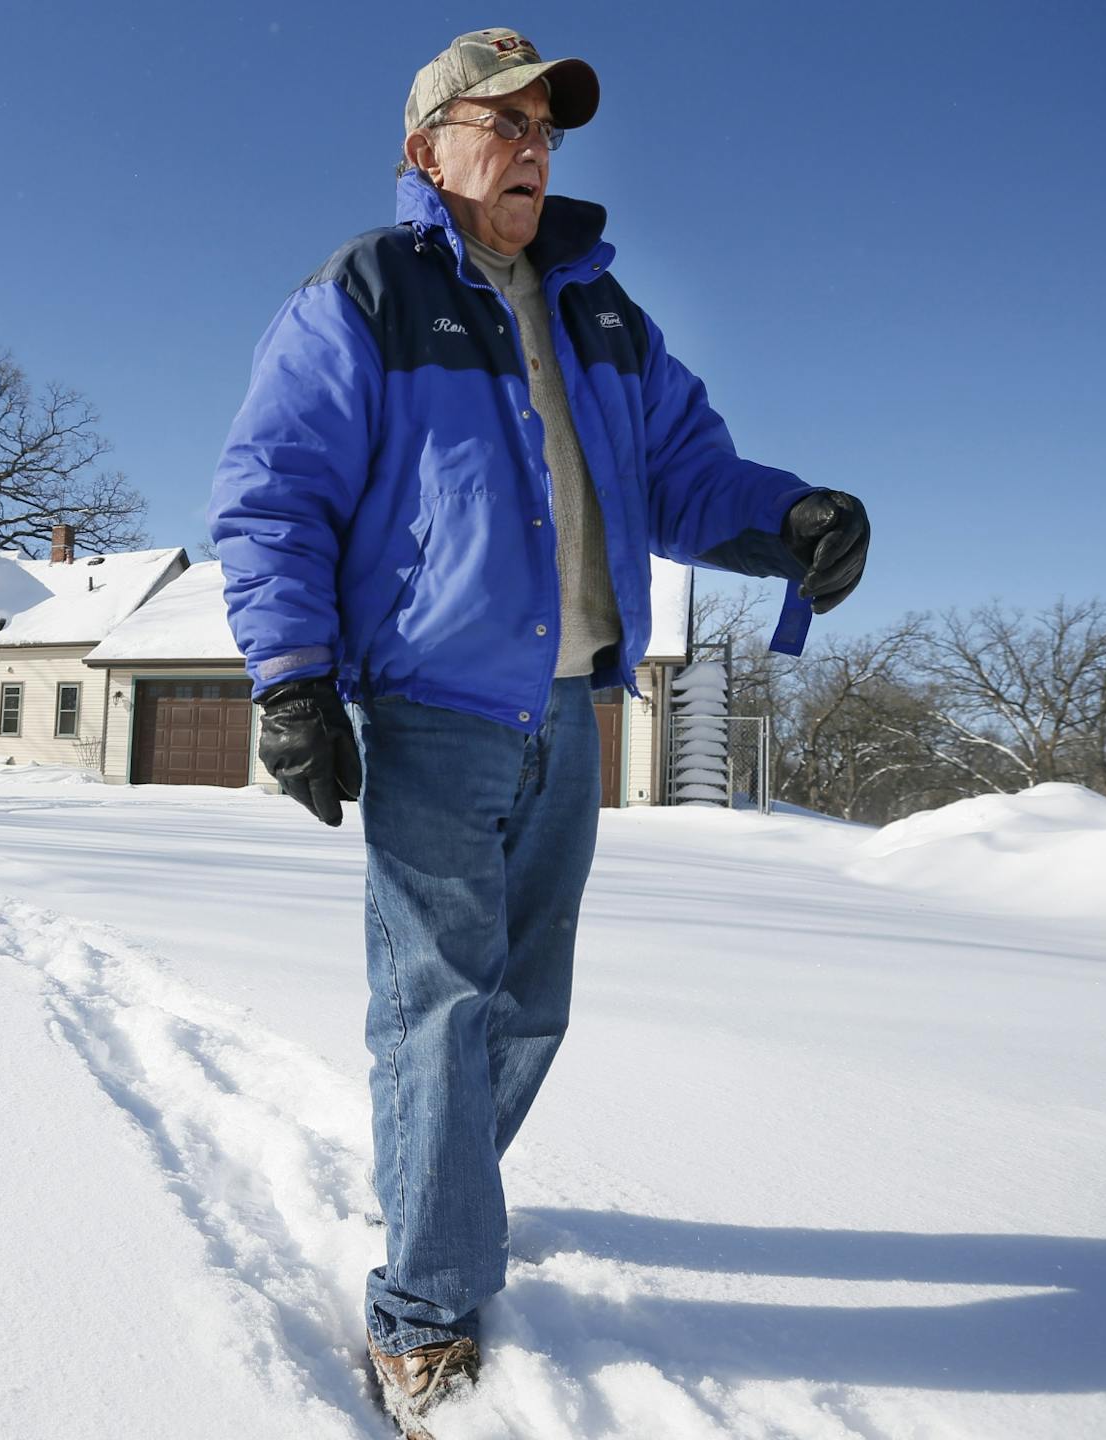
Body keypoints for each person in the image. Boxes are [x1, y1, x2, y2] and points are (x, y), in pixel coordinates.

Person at [207, 26, 869, 1433]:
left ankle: (436, 1187)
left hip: (573, 708)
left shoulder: (603, 309)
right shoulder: (368, 295)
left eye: (546, 128)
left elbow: (690, 474)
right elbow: (274, 497)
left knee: (527, 1007)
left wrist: (791, 516)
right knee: (440, 1003)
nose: (529, 147)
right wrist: (289, 677)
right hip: (438, 706)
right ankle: (426, 1306)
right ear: (424, 151)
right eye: (496, 122)